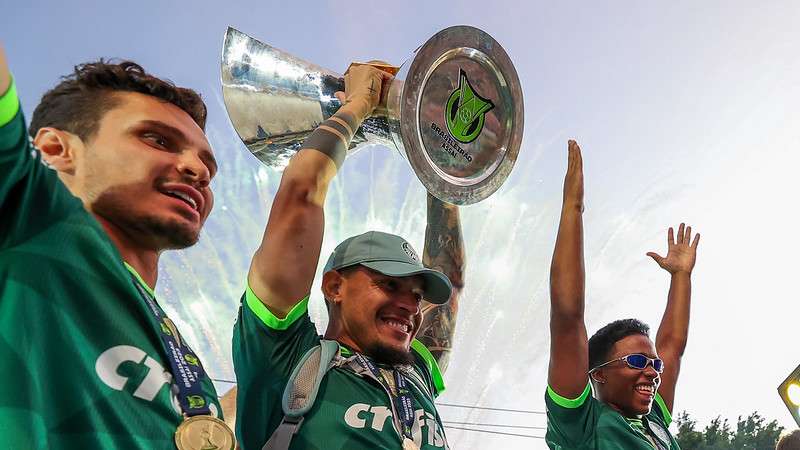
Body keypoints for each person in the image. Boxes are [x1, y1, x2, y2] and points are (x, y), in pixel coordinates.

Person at [0, 46, 234, 448]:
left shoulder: (186, 368)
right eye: (157, 139)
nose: (198, 171)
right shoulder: (28, 213)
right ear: (56, 150)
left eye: (208, 168)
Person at [231, 64, 465, 450]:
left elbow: (449, 277)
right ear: (335, 285)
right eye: (389, 284)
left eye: (417, 294)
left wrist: (434, 152)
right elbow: (302, 193)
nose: (410, 305)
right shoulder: (284, 356)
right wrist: (360, 104)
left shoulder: (417, 373)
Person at [546, 140, 700, 449]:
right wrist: (572, 209)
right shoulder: (581, 424)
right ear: (599, 374)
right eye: (637, 361)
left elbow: (672, 346)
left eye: (654, 365)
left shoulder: (655, 421)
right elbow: (567, 317)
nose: (652, 373)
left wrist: (681, 276)